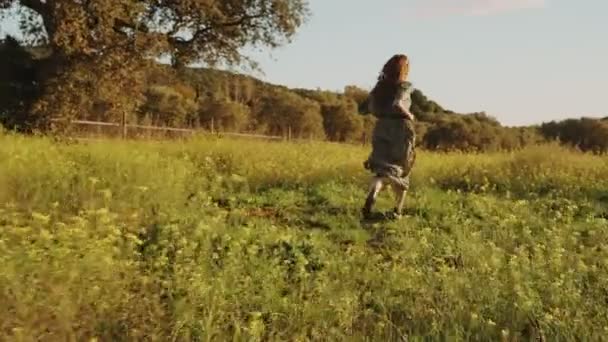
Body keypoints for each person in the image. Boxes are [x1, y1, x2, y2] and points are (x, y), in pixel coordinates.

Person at [359, 54, 416, 220]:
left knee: (381, 168)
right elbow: (398, 103)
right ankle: (397, 211)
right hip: (401, 127)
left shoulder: (379, 88)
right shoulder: (404, 86)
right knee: (403, 170)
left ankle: (373, 192)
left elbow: (363, 109)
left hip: (381, 126)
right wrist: (410, 115)